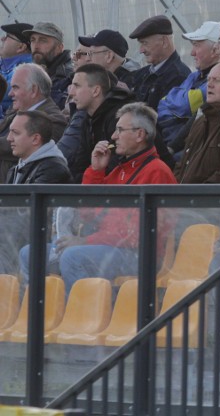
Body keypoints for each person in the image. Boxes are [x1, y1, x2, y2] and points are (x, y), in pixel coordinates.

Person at [19, 102, 177, 292]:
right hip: (108, 247)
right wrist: (96, 171)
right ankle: (39, 317)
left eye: (119, 130)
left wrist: (85, 241)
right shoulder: (120, 170)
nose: (113, 136)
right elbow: (88, 213)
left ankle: (81, 317)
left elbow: (136, 234)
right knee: (29, 253)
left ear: (140, 134)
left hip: (139, 255)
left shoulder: (157, 172)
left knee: (73, 257)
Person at [0, 110, 71, 273]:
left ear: (35, 139)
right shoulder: (16, 168)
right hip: (15, 239)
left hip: (36, 241)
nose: (9, 138)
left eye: (15, 133)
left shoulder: (53, 168)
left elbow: (28, 215)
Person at [58, 63, 134, 182]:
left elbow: (117, 168)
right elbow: (80, 165)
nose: (71, 92)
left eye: (77, 86)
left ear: (96, 91)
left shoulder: (120, 117)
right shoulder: (87, 119)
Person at [174, 61, 220, 184]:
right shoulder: (200, 121)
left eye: (217, 80)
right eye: (208, 80)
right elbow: (181, 165)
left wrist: (194, 196)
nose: (209, 85)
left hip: (209, 200)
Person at [157, 21, 220, 149]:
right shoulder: (195, 75)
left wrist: (174, 102)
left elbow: (185, 105)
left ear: (215, 50)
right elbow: (161, 104)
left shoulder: (219, 80)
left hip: (187, 147)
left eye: (197, 46)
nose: (192, 53)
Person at [0, 63, 67, 180]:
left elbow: (10, 146)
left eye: (15, 87)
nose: (10, 94)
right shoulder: (16, 110)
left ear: (34, 90)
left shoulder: (52, 119)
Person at [128, 15, 191, 111]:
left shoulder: (179, 77)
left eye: (145, 43)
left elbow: (169, 120)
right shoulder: (142, 74)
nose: (141, 50)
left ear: (164, 42)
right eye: (140, 44)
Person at [23, 21, 74, 110]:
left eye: (43, 40)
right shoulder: (32, 71)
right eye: (32, 40)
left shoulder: (69, 75)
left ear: (59, 47)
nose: (36, 46)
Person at [0, 22, 33, 118]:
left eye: (7, 36)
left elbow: (4, 94)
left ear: (21, 47)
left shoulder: (27, 71)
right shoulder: (4, 65)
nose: (2, 38)